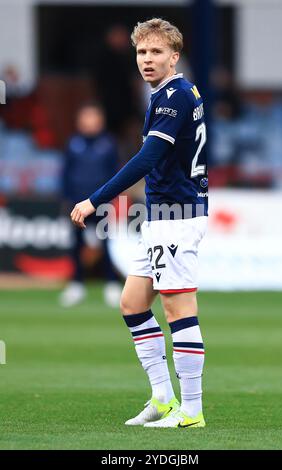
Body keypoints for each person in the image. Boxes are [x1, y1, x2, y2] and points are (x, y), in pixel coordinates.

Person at [70, 18, 208, 428]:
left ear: (174, 56)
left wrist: (95, 199)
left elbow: (147, 159)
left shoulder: (173, 98)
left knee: (177, 308)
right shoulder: (172, 92)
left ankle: (192, 411)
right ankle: (163, 399)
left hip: (177, 218)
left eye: (156, 52)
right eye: (141, 52)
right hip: (162, 217)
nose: (147, 59)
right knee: (132, 304)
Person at [60, 102, 122, 308]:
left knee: (105, 244)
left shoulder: (108, 144)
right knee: (76, 244)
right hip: (77, 202)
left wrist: (109, 198)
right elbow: (65, 173)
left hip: (100, 203)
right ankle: (76, 285)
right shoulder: (73, 143)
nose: (89, 122)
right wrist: (66, 197)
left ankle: (111, 284)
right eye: (86, 117)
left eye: (93, 117)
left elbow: (115, 174)